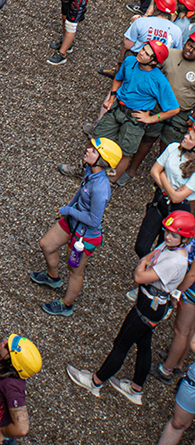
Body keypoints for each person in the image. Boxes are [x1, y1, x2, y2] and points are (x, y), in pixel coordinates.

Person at [66, 212, 195, 407]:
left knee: (121, 344)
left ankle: (95, 381)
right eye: (167, 232)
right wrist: (145, 263)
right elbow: (150, 258)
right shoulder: (170, 247)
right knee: (144, 345)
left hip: (148, 306)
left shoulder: (175, 261)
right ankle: (136, 389)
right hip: (151, 303)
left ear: (185, 239)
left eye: (174, 235)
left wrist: (142, 265)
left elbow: (140, 276)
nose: (168, 237)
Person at [30, 137, 121, 315]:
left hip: (84, 234)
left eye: (94, 151)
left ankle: (66, 304)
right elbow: (81, 193)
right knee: (46, 245)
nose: (88, 150)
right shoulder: (91, 171)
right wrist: (69, 209)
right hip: (73, 222)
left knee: (75, 272)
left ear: (102, 160)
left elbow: (94, 220)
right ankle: (52, 277)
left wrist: (68, 211)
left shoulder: (101, 188)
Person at [83, 39, 180, 182]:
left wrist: (151, 119)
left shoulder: (159, 81)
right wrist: (112, 97)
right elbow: (118, 78)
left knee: (124, 152)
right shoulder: (130, 61)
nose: (141, 53)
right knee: (96, 139)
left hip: (135, 119)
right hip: (118, 109)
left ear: (154, 61)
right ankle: (84, 171)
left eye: (146, 53)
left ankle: (109, 183)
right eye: (143, 49)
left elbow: (174, 109)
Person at [133, 114, 195, 243]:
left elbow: (177, 198)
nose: (185, 136)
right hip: (160, 198)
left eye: (190, 138)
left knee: (165, 242)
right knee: (141, 245)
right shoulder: (173, 147)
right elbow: (154, 171)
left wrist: (162, 176)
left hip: (179, 209)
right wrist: (170, 190)